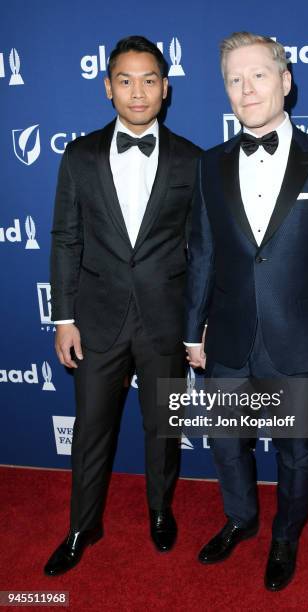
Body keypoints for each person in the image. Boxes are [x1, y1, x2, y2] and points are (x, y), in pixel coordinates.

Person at [185, 32, 308, 591]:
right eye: (234, 80)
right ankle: (240, 518)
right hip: (229, 337)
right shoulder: (209, 165)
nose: (246, 89)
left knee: (296, 451)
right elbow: (203, 254)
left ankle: (286, 534)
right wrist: (193, 330)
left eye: (258, 75)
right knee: (226, 443)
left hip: (301, 341)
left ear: (285, 81)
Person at [44, 35, 201, 576]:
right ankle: (83, 525)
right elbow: (66, 238)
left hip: (165, 319)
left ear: (166, 89)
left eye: (150, 80)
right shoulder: (79, 155)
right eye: (126, 80)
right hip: (96, 320)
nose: (139, 92)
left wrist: (196, 324)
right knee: (91, 429)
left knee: (164, 426)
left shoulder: (192, 159)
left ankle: (160, 511)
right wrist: (63, 318)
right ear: (109, 87)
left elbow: (201, 250)